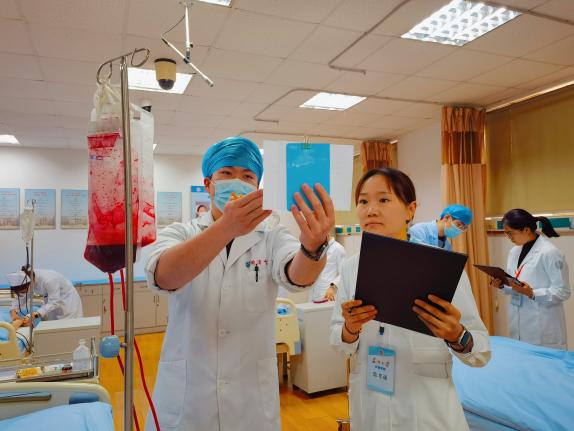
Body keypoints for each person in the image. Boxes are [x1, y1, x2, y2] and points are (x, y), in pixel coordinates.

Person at [144, 136, 335, 431]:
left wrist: (312, 246)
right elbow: (164, 276)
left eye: (248, 176)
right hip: (189, 399)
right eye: (227, 173)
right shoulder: (180, 233)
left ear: (257, 188)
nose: (238, 181)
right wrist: (225, 228)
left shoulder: (272, 235)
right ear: (208, 184)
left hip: (250, 400)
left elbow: (298, 276)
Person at [330, 167, 490, 431]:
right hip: (370, 407)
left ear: (410, 209)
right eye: (363, 201)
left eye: (383, 199)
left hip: (427, 413)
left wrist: (457, 335)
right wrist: (350, 329)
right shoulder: (350, 269)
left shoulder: (439, 267)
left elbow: (481, 352)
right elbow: (339, 344)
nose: (371, 210)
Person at [490, 209, 570, 349]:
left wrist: (532, 293)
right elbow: (514, 284)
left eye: (510, 233)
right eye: (506, 233)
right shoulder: (514, 252)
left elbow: (563, 291)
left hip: (544, 328)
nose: (508, 237)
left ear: (526, 230)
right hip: (518, 323)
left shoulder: (549, 252)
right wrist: (502, 285)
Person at [6, 267, 83, 328]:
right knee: (55, 328)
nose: (23, 294)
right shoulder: (27, 282)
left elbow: (54, 302)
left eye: (23, 291)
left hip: (67, 302)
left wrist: (36, 314)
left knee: (70, 328)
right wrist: (13, 311)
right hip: (52, 302)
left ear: (30, 283)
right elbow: (21, 298)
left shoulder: (49, 280)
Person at [408, 204, 472, 250]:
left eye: (463, 228)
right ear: (447, 217)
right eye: (459, 225)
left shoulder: (448, 246)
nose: (460, 230)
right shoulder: (419, 230)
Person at [308, 236, 347, 302]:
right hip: (313, 295)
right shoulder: (315, 248)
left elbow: (344, 273)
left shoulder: (338, 248)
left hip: (329, 294)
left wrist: (332, 287)